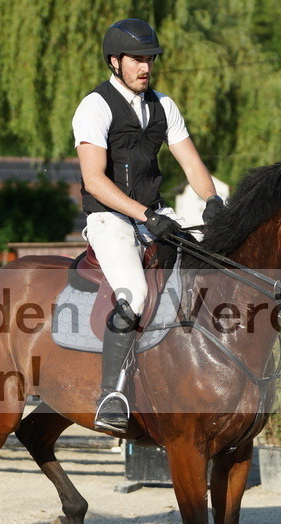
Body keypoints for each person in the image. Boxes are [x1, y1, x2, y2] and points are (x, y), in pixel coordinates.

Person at [72, 17, 225, 432]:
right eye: (137, 59)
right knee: (135, 292)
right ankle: (111, 395)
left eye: (150, 59)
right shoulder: (95, 106)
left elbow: (190, 161)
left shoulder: (164, 106)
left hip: (154, 215)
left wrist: (211, 200)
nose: (145, 67)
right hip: (111, 219)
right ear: (114, 60)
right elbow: (93, 181)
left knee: (207, 272)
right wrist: (144, 216)